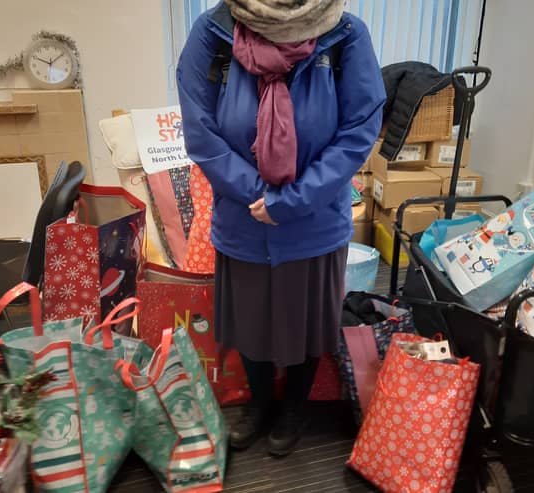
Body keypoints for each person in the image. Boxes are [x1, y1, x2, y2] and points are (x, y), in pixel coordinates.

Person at [177, 0, 385, 457]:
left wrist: (290, 201)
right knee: (251, 319)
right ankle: (259, 404)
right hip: (241, 216)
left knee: (308, 321)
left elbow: (358, 131)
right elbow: (199, 129)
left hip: (314, 219)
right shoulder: (213, 32)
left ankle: (294, 407)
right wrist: (258, 194)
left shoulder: (345, 35)